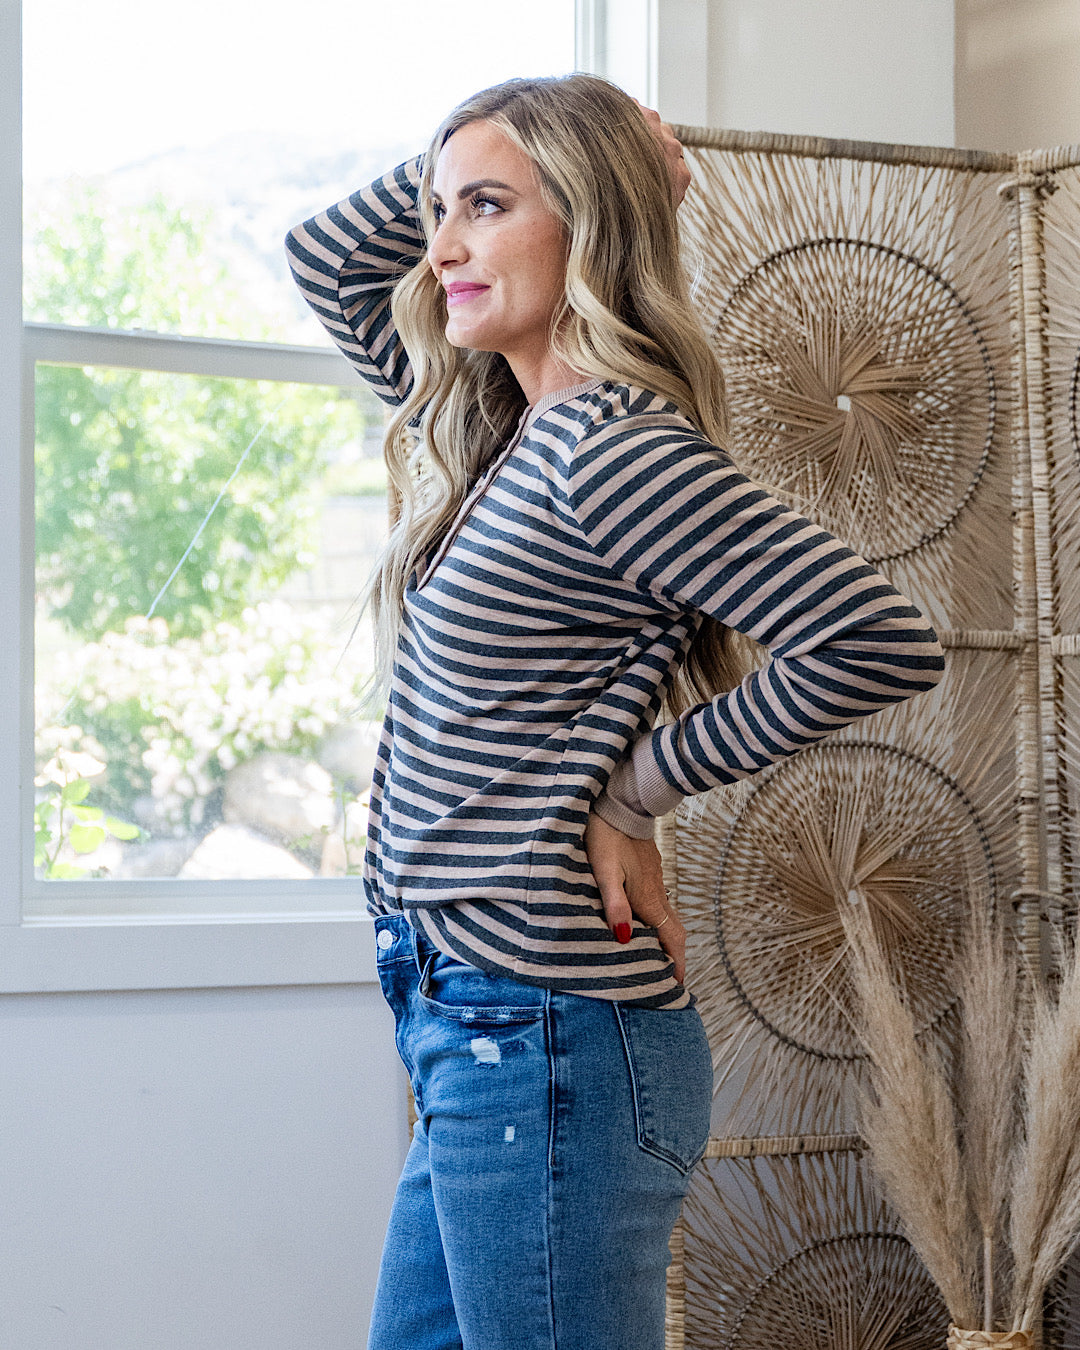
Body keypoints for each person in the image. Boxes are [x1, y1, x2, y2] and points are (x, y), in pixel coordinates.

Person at [286, 73, 945, 1350]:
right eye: (438, 210)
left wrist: (637, 788)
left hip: (541, 1029)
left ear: (589, 219)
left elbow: (876, 639)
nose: (441, 246)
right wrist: (494, 147)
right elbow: (325, 258)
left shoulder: (611, 451)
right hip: (466, 1016)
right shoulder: (498, 429)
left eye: (487, 206)